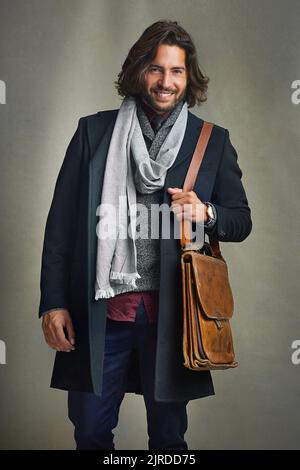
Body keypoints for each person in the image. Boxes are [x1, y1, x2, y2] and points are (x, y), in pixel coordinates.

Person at [39, 20, 252, 450]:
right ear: (139, 71)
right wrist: (53, 302)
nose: (166, 81)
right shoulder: (93, 133)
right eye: (156, 69)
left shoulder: (210, 142)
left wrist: (206, 211)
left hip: (173, 317)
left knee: (169, 437)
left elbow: (240, 220)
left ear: (188, 77)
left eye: (176, 71)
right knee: (91, 431)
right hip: (99, 311)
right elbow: (61, 227)